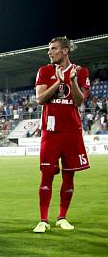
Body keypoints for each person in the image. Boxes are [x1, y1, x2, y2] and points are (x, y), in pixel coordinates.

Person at [32, 36, 91, 233]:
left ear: (65, 51)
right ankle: (43, 220)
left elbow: (78, 101)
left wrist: (72, 81)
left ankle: (62, 217)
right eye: (49, 49)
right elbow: (40, 99)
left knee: (69, 175)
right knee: (46, 175)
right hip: (51, 133)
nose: (50, 52)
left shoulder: (81, 72)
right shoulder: (45, 71)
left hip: (72, 132)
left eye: (54, 48)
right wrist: (59, 82)